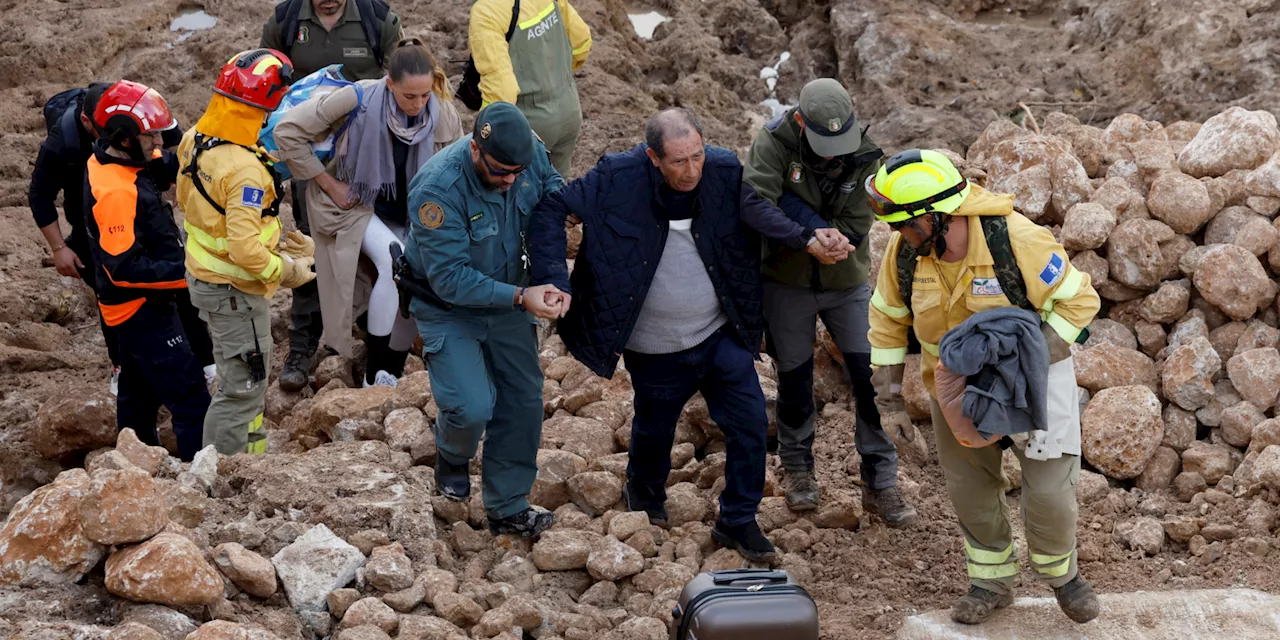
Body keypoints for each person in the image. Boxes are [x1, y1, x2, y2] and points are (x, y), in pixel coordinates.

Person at [529, 108, 851, 562]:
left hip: (719, 332)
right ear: (652, 158)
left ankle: (737, 520)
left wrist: (812, 231)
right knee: (654, 428)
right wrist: (551, 279)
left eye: (696, 156)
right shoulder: (617, 177)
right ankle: (644, 496)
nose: (691, 170)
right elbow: (552, 207)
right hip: (653, 345)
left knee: (750, 423)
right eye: (678, 161)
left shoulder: (722, 169)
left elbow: (769, 196)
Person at [866, 149, 1101, 624]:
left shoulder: (1017, 239)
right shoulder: (907, 253)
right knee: (970, 488)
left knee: (1050, 493)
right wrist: (889, 402)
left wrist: (1028, 360)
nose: (900, 236)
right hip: (953, 391)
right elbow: (888, 321)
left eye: (906, 225)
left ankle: (1064, 576)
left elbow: (1080, 303)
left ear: (937, 215)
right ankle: (991, 582)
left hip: (1033, 382)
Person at [743, 78, 917, 524]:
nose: (833, 152)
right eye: (823, 143)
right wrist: (805, 237)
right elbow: (754, 202)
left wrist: (827, 236)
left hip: (846, 281)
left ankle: (881, 483)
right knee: (796, 381)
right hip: (786, 281)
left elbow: (860, 216)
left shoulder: (864, 150)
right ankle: (799, 472)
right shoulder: (774, 142)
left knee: (873, 376)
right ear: (800, 122)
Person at [405, 102, 566, 537]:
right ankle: (452, 454)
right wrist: (521, 297)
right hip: (449, 308)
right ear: (476, 150)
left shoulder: (527, 153)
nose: (510, 180)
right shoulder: (438, 190)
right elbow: (451, 279)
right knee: (472, 406)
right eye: (501, 172)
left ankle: (508, 505)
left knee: (523, 400)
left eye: (517, 172)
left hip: (511, 299)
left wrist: (552, 277)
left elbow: (552, 195)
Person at [275, 39, 462, 387]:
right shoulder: (357, 99)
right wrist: (330, 184)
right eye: (409, 97)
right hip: (354, 205)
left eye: (425, 96)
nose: (418, 105)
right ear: (390, 84)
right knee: (398, 263)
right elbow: (288, 131)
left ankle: (391, 370)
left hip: (411, 216)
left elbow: (457, 175)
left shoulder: (444, 115)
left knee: (415, 279)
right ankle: (374, 374)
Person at [178, 49, 320, 456]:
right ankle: (222, 473)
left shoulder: (197, 139)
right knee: (242, 386)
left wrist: (276, 239)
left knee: (243, 378)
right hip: (235, 292)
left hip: (208, 281)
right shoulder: (245, 169)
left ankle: (250, 460)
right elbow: (241, 246)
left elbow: (206, 213)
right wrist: (287, 270)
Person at [261, 0, 406, 391]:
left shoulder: (378, 21)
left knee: (375, 246)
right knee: (315, 248)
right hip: (313, 161)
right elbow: (268, 87)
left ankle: (366, 328)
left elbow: (405, 77)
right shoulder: (286, 21)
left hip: (372, 161)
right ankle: (304, 343)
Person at [29, 83, 203, 395]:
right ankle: (122, 366)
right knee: (110, 292)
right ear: (87, 123)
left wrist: (167, 184)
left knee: (177, 278)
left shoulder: (133, 122)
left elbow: (172, 149)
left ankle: (200, 357)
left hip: (141, 206)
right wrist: (59, 248)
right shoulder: (64, 142)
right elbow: (40, 196)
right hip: (89, 222)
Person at [83, 80, 211, 461]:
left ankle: (134, 464)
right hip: (141, 309)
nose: (157, 142)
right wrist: (189, 270)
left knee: (137, 399)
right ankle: (197, 480)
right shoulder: (117, 193)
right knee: (190, 399)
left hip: (131, 310)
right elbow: (123, 268)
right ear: (124, 138)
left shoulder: (111, 159)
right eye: (150, 136)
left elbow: (158, 168)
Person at [470, 0, 592, 177]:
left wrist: (484, 132)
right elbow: (582, 42)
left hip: (528, 123)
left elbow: (502, 91)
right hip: (569, 109)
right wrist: (553, 77)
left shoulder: (487, 12)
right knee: (556, 191)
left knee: (516, 194)